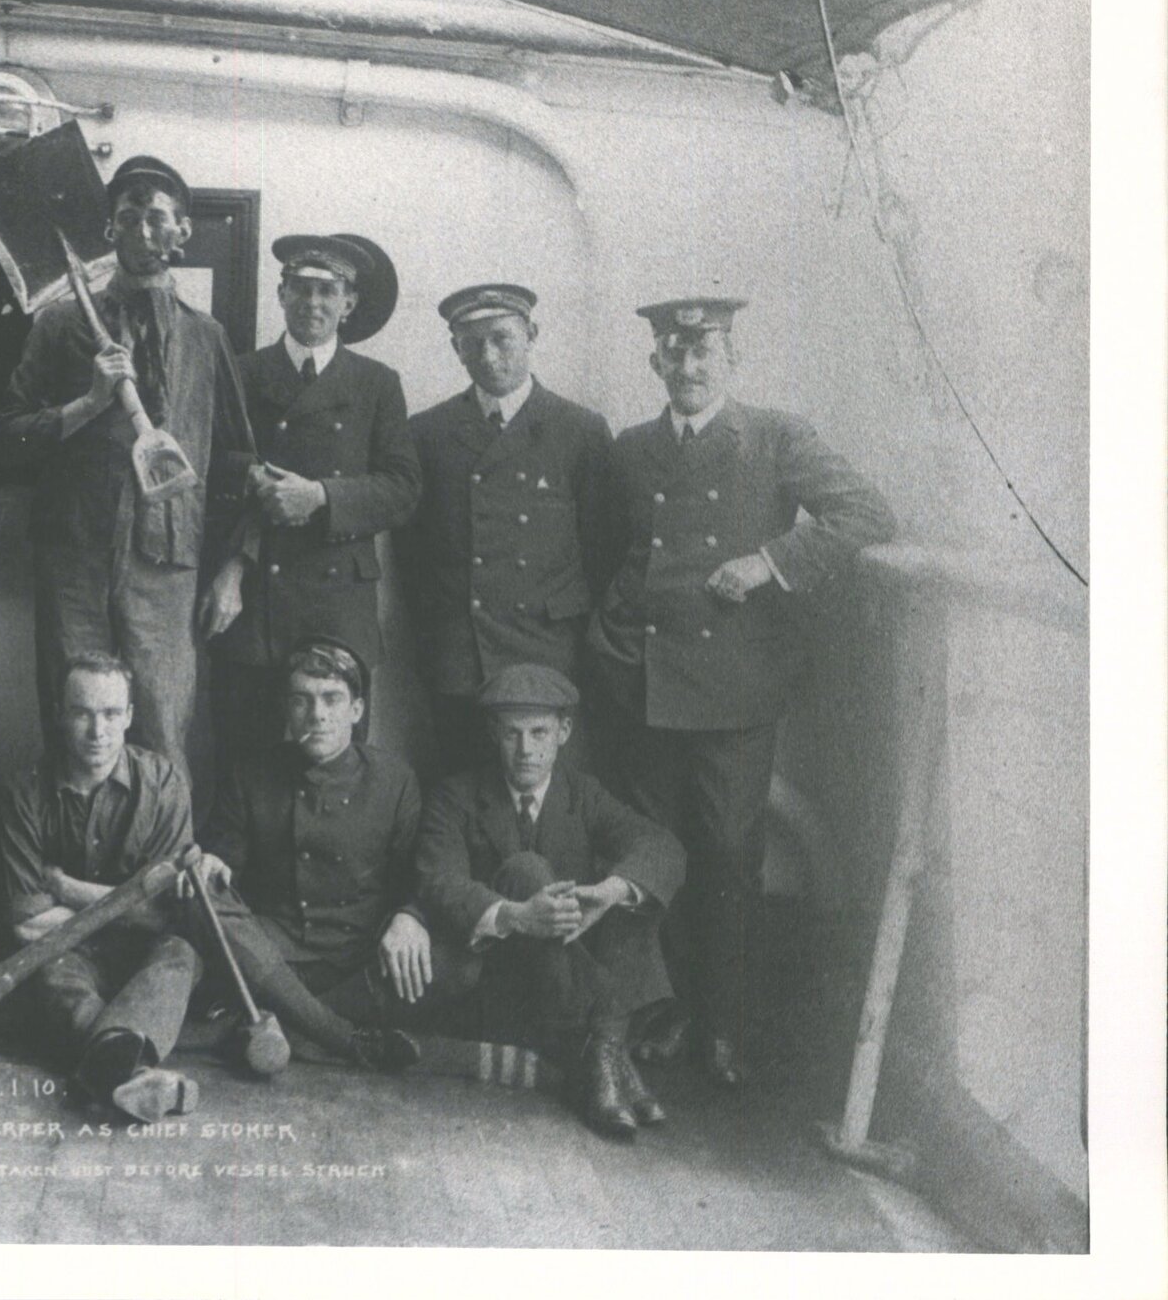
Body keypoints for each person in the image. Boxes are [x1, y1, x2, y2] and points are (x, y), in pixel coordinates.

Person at [587, 296, 896, 1086]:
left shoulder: (774, 437)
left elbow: (866, 511)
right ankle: (664, 1011)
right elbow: (608, 554)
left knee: (727, 855)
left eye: (705, 352)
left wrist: (768, 560)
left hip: (733, 690)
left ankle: (724, 1024)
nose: (688, 368)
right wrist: (610, 639)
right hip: (646, 686)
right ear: (654, 361)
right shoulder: (628, 451)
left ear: (732, 359)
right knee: (654, 854)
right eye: (673, 353)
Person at [0, 155, 257, 813]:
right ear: (108, 229)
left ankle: (165, 881)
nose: (143, 229)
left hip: (168, 564)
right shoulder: (61, 325)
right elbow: (4, 435)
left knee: (163, 726)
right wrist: (86, 404)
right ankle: (69, 881)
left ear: (182, 233)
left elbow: (237, 459)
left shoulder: (206, 338)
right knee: (75, 722)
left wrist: (234, 566)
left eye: (157, 216)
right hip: (74, 558)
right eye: (129, 216)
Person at [418, 663, 685, 1139]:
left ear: (563, 732)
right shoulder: (455, 796)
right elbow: (439, 881)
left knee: (627, 890)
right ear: (492, 732)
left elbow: (661, 845)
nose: (526, 750)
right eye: (512, 734)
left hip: (567, 993)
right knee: (526, 871)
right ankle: (608, 1053)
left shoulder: (583, 794)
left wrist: (612, 891)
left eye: (539, 732)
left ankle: (603, 1052)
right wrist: (519, 915)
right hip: (503, 989)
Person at [206, 235, 419, 771]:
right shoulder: (242, 373)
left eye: (328, 291)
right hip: (255, 598)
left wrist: (321, 497)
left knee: (335, 761)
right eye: (301, 288)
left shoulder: (377, 384)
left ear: (348, 303)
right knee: (245, 753)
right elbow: (208, 468)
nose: (313, 303)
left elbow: (403, 489)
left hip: (338, 604)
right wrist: (248, 479)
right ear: (281, 294)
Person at [397, 282, 616, 775]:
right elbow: (412, 557)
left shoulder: (579, 430)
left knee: (549, 799)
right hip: (461, 654)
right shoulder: (427, 433)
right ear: (456, 348)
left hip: (548, 650)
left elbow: (603, 551)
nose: (489, 356)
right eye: (471, 343)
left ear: (531, 335)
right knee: (462, 792)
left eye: (502, 338)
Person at [0, 653, 205, 1123]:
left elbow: (166, 915)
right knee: (50, 970)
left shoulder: (165, 782)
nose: (98, 731)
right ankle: (136, 1073)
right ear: (59, 713)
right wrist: (131, 904)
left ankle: (110, 1069)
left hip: (143, 953)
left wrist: (64, 888)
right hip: (67, 955)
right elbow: (28, 926)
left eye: (112, 714)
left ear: (130, 716)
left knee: (180, 953)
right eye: (82, 712)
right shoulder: (24, 791)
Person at [199, 636, 424, 1071]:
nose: (317, 715)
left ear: (356, 711)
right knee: (196, 900)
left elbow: (416, 871)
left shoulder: (394, 779)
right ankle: (339, 1036)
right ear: (286, 709)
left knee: (456, 960)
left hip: (358, 953)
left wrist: (410, 916)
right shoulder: (252, 773)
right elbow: (224, 848)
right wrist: (214, 862)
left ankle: (279, 1021)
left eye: (332, 700)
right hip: (272, 947)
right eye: (301, 700)